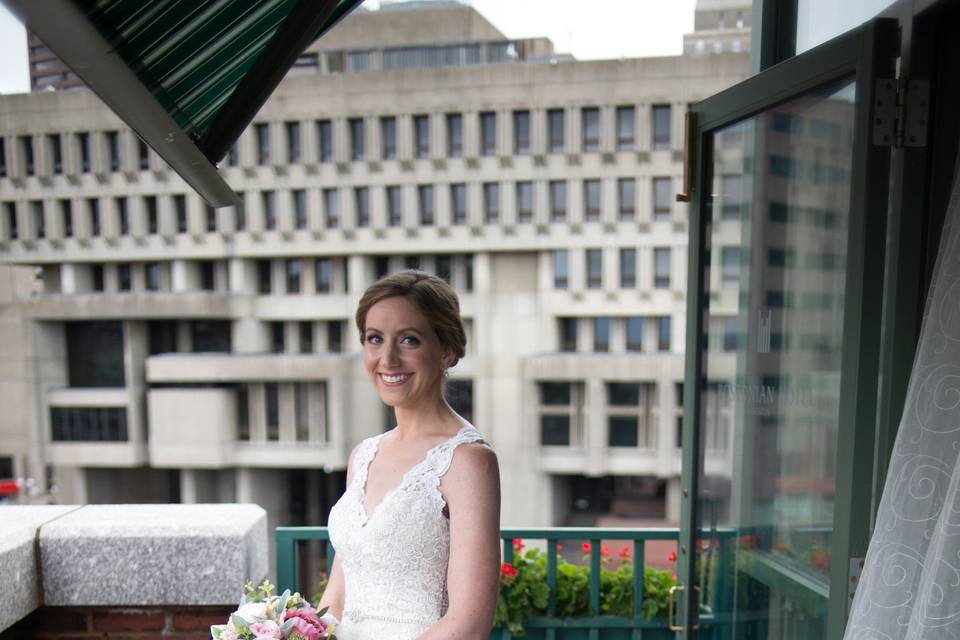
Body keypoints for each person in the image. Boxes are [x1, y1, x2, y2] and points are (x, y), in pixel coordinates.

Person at [320, 270, 501, 640]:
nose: (387, 358)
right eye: (375, 339)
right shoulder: (363, 455)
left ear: (446, 350)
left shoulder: (467, 460)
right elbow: (337, 598)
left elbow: (469, 623)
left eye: (409, 340)